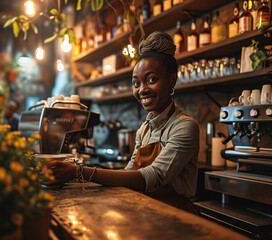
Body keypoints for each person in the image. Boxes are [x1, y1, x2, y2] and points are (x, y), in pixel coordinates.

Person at [46, 31, 200, 213]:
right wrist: (76, 174)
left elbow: (152, 177)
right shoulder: (144, 129)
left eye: (151, 80)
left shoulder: (184, 126)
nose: (142, 90)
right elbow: (129, 173)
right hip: (148, 211)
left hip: (179, 216)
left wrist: (79, 172)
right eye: (136, 83)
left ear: (172, 80)